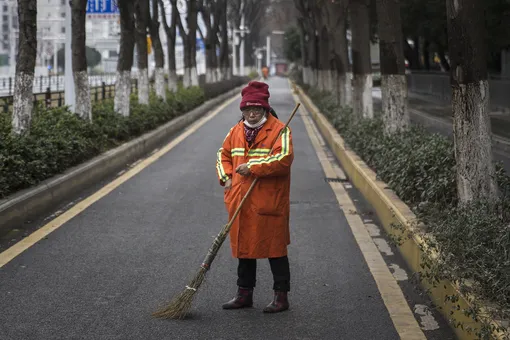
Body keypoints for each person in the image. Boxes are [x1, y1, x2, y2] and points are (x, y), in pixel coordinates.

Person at [216, 81, 294, 313]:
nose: (251, 113)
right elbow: (223, 154)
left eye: (257, 109)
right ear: (242, 109)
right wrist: (226, 177)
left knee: (275, 249)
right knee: (244, 249)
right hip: (240, 198)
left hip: (268, 201)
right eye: (247, 109)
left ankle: (281, 296)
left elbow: (284, 158)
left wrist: (253, 167)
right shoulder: (235, 130)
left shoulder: (281, 130)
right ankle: (244, 294)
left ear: (265, 109)